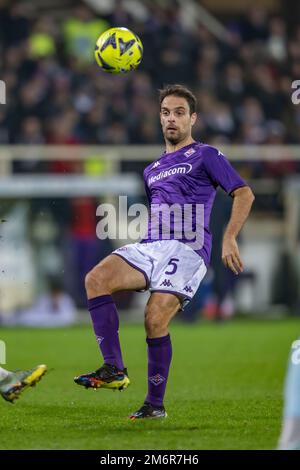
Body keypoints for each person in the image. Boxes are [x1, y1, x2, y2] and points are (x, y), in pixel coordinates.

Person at [74, 84, 255, 419]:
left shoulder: (206, 154)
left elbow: (244, 193)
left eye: (180, 113)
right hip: (152, 246)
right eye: (166, 113)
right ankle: (114, 367)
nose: (172, 119)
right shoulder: (151, 169)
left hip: (188, 249)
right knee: (95, 279)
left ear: (193, 118)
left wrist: (229, 237)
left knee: (154, 318)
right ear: (160, 118)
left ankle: (155, 405)